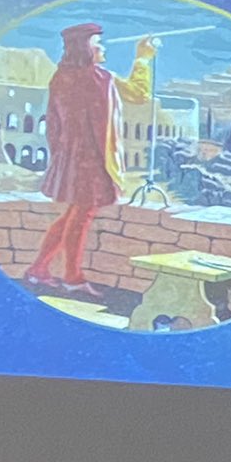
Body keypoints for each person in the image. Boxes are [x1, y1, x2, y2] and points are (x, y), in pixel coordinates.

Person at [27, 24, 157, 300]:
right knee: (81, 217)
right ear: (86, 49)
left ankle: (38, 269)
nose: (103, 48)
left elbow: (53, 124)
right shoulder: (100, 79)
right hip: (93, 161)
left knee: (73, 214)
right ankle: (72, 278)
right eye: (98, 44)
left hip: (70, 160)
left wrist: (60, 155)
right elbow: (139, 93)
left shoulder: (60, 77)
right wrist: (143, 59)